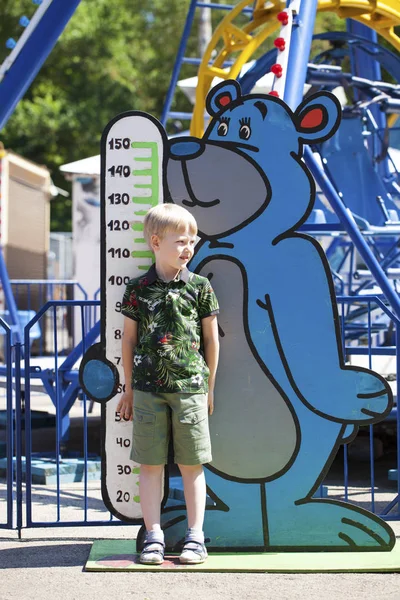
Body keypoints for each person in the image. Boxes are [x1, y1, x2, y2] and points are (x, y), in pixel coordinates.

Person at [117, 203, 220, 565]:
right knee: (150, 465)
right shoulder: (137, 290)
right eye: (180, 241)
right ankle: (154, 537)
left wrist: (209, 388)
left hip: (191, 388)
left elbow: (212, 340)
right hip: (146, 389)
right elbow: (127, 341)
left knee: (192, 465)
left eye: (193, 241)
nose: (188, 248)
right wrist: (128, 389)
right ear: (156, 242)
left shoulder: (200, 287)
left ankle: (195, 537)